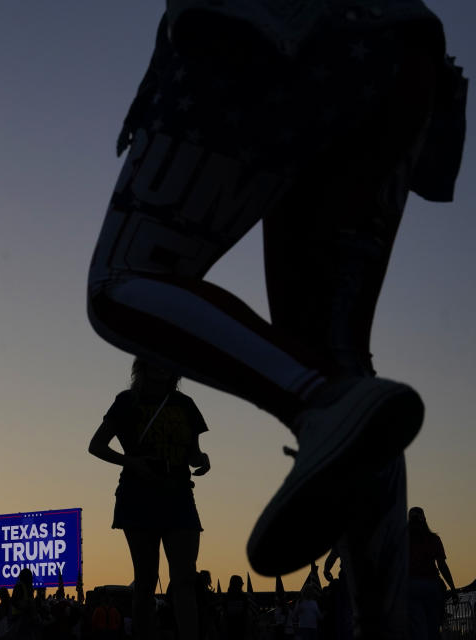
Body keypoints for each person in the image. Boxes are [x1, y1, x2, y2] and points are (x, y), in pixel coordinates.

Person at [86, 0, 467, 581]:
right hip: (400, 47)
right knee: (343, 363)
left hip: (256, 37)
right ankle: (384, 620)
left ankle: (318, 402)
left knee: (122, 282)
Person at [90, 358, 210, 639]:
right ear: (142, 365)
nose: (161, 364)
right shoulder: (126, 401)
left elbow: (193, 452)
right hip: (138, 492)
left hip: (178, 492)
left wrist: (202, 460)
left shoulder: (185, 404)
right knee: (145, 580)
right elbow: (96, 445)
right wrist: (131, 462)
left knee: (184, 578)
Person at [408, 507, 458, 640]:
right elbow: (442, 566)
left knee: (418, 628)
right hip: (431, 586)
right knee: (433, 627)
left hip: (411, 587)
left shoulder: (403, 541)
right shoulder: (433, 540)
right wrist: (452, 588)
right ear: (424, 520)